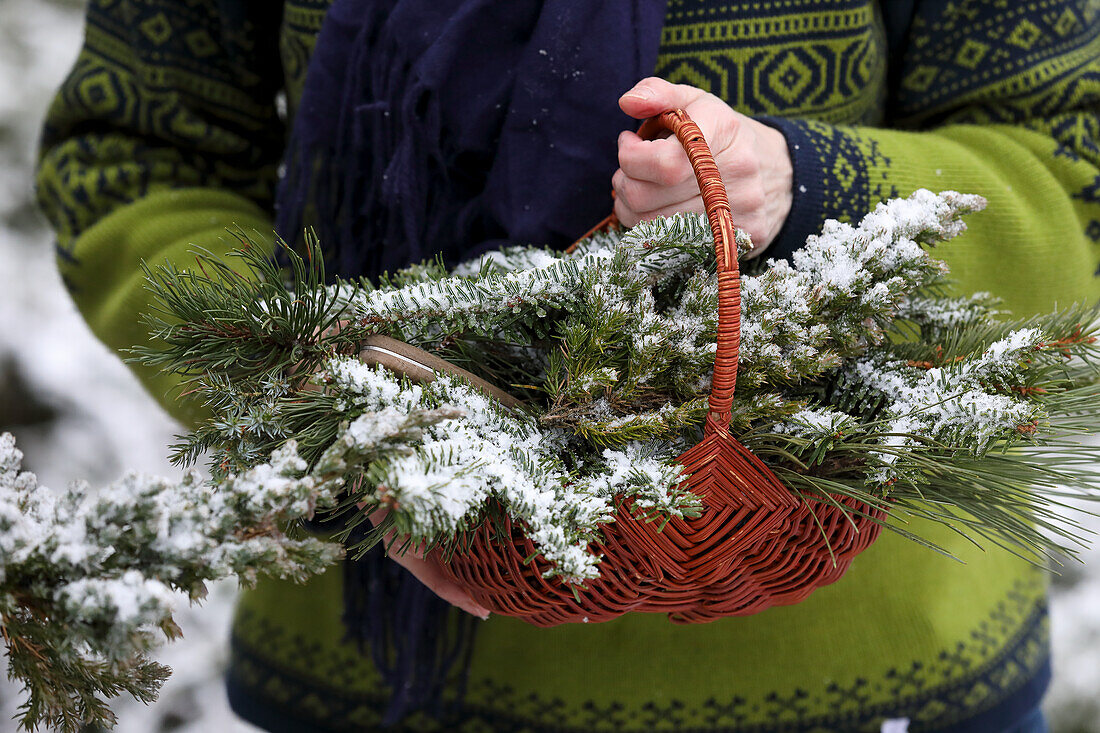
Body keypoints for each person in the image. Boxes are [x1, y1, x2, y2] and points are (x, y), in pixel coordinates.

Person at [35, 0, 1100, 730]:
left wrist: (797, 185)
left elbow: (1072, 174)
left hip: (868, 676)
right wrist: (329, 407)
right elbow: (130, 163)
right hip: (382, 683)